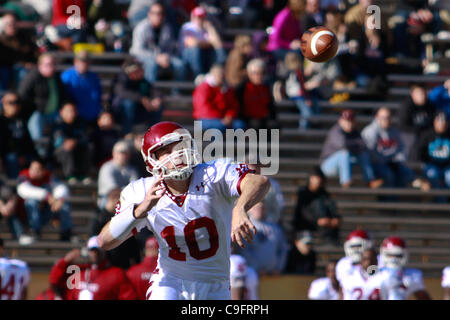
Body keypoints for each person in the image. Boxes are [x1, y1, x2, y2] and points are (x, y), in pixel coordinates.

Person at [97, 121, 270, 300]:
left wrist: (239, 209)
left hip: (216, 285)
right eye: (167, 151)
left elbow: (259, 181)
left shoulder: (213, 173)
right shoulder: (141, 191)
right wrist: (140, 211)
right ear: (152, 159)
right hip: (171, 281)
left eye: (181, 147)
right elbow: (104, 242)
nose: (178, 154)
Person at [47, 236, 137, 300]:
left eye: (98, 251)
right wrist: (64, 262)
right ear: (87, 251)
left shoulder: (116, 274)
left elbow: (129, 296)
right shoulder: (78, 271)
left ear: (104, 252)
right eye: (92, 250)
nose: (95, 254)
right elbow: (54, 282)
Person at [361, 107, 422, 189]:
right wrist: (386, 161)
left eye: (389, 117)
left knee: (408, 173)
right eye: (384, 118)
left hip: (392, 162)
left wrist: (397, 160)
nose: (386, 120)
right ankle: (388, 200)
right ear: (377, 118)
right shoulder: (370, 132)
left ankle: (397, 197)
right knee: (388, 174)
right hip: (376, 164)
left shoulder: (394, 131)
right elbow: (370, 153)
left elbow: (401, 148)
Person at [320, 110, 382, 188]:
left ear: (354, 122)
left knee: (363, 154)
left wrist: (353, 145)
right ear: (340, 121)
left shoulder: (355, 132)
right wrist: (355, 145)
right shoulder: (335, 131)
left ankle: (369, 180)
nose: (348, 124)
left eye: (350, 121)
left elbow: (363, 146)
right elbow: (343, 145)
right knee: (344, 153)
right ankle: (345, 182)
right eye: (346, 121)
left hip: (346, 163)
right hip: (328, 166)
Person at [17, 159, 72, 241]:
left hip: (47, 211)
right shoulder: (24, 175)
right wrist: (47, 196)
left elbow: (61, 187)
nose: (32, 171)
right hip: (26, 216)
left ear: (43, 171)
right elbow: (23, 190)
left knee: (63, 204)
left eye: (37, 169)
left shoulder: (48, 176)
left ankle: (66, 232)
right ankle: (34, 231)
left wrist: (59, 200)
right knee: (31, 202)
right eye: (32, 168)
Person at [130, 2, 186, 83]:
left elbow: (170, 47)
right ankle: (150, 92)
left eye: (161, 14)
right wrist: (156, 57)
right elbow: (137, 50)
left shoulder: (167, 28)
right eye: (155, 13)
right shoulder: (141, 28)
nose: (158, 16)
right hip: (144, 57)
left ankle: (177, 93)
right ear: (149, 14)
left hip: (162, 57)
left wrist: (166, 56)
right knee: (152, 64)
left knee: (180, 65)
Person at [18, 53, 66, 147]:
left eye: (53, 64)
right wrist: (33, 109)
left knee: (61, 135)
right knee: (38, 137)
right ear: (40, 65)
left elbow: (63, 94)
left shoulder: (56, 77)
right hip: (38, 113)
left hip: (54, 113)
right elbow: (22, 94)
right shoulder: (33, 77)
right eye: (48, 64)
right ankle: (39, 152)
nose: (51, 67)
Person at [90, 188, 141, 270]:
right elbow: (94, 243)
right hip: (105, 267)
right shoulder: (99, 218)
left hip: (122, 266)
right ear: (115, 200)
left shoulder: (122, 217)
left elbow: (131, 243)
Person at [111, 57, 163, 135]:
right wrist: (141, 99)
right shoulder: (121, 79)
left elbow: (154, 90)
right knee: (128, 104)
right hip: (119, 112)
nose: (142, 71)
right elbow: (122, 93)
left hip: (139, 111)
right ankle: (127, 133)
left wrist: (157, 99)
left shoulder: (141, 80)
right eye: (139, 69)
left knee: (157, 106)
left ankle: (153, 133)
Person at [237, 202, 289, 276]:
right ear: (249, 210)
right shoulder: (245, 228)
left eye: (262, 208)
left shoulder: (275, 228)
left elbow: (283, 249)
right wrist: (255, 268)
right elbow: (244, 251)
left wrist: (278, 268)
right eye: (256, 208)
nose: (259, 210)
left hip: (273, 275)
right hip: (252, 274)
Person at [192, 64, 246, 132]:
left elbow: (233, 105)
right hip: (205, 119)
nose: (221, 77)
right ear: (212, 75)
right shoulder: (203, 88)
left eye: (222, 74)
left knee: (240, 125)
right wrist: (221, 119)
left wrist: (229, 116)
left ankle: (236, 143)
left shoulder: (227, 89)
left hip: (223, 118)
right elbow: (204, 108)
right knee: (219, 127)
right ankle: (216, 142)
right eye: (218, 74)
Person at [293, 168, 340, 244]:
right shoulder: (303, 193)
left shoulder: (324, 194)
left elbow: (332, 207)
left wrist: (335, 218)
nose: (319, 180)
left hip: (324, 226)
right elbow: (302, 211)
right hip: (305, 227)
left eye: (320, 178)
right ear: (311, 178)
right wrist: (317, 221)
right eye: (317, 177)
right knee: (317, 204)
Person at [179, 6, 225, 78]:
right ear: (192, 17)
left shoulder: (206, 28)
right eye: (197, 17)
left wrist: (210, 28)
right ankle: (199, 75)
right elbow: (192, 43)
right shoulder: (187, 27)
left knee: (217, 51)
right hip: (188, 56)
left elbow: (218, 45)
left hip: (204, 53)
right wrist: (209, 43)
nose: (200, 19)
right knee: (195, 50)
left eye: (202, 17)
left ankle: (216, 73)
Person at [51, 102, 92, 184]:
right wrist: (66, 142)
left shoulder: (80, 123)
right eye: (68, 111)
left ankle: (82, 175)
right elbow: (58, 140)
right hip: (59, 151)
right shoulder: (57, 124)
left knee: (89, 147)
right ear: (61, 112)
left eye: (73, 111)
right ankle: (70, 176)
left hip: (77, 148)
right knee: (67, 148)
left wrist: (75, 141)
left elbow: (85, 137)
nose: (71, 113)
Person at [60, 51, 103, 128]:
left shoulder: (94, 77)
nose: (84, 64)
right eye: (81, 61)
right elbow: (63, 97)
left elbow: (98, 96)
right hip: (75, 116)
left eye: (86, 61)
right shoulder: (67, 76)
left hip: (93, 115)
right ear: (75, 62)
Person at [0, 92, 36, 179]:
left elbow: (28, 141)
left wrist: (36, 160)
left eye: (17, 102)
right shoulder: (1, 121)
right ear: (3, 103)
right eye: (11, 103)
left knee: (36, 159)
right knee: (11, 158)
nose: (14, 105)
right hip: (8, 154)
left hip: (23, 153)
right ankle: (14, 183)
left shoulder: (21, 120)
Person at [97, 140, 139, 210]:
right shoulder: (107, 167)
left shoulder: (131, 169)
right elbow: (114, 190)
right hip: (107, 199)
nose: (123, 156)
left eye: (125, 153)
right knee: (114, 201)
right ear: (114, 153)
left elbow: (136, 187)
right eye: (120, 153)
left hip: (126, 198)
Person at [235, 58, 276, 130]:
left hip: (264, 117)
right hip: (248, 118)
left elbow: (270, 106)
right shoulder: (242, 88)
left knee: (273, 126)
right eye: (256, 73)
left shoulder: (266, 87)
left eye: (262, 73)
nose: (259, 76)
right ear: (249, 74)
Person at [0, 12, 37, 90]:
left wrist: (33, 63)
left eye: (13, 22)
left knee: (23, 71)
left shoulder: (24, 38)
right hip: (6, 67)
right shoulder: (1, 40)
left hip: (23, 67)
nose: (11, 25)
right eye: (8, 23)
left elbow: (34, 53)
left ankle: (21, 97)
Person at [398, 84, 435, 161]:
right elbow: (403, 126)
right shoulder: (407, 106)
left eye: (424, 93)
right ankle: (409, 162)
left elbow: (433, 122)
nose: (423, 96)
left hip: (425, 132)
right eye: (420, 93)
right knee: (412, 138)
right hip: (410, 133)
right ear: (413, 95)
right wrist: (420, 130)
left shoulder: (430, 105)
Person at [417, 112, 450, 193]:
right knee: (433, 175)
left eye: (444, 121)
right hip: (432, 165)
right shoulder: (427, 135)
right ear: (434, 122)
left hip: (447, 166)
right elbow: (420, 154)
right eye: (439, 120)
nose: (442, 123)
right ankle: (440, 202)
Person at [0, 179, 34, 245]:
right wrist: (1, 207)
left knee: (11, 213)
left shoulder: (1, 183)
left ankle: (20, 235)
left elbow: (11, 195)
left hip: (4, 209)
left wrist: (9, 206)